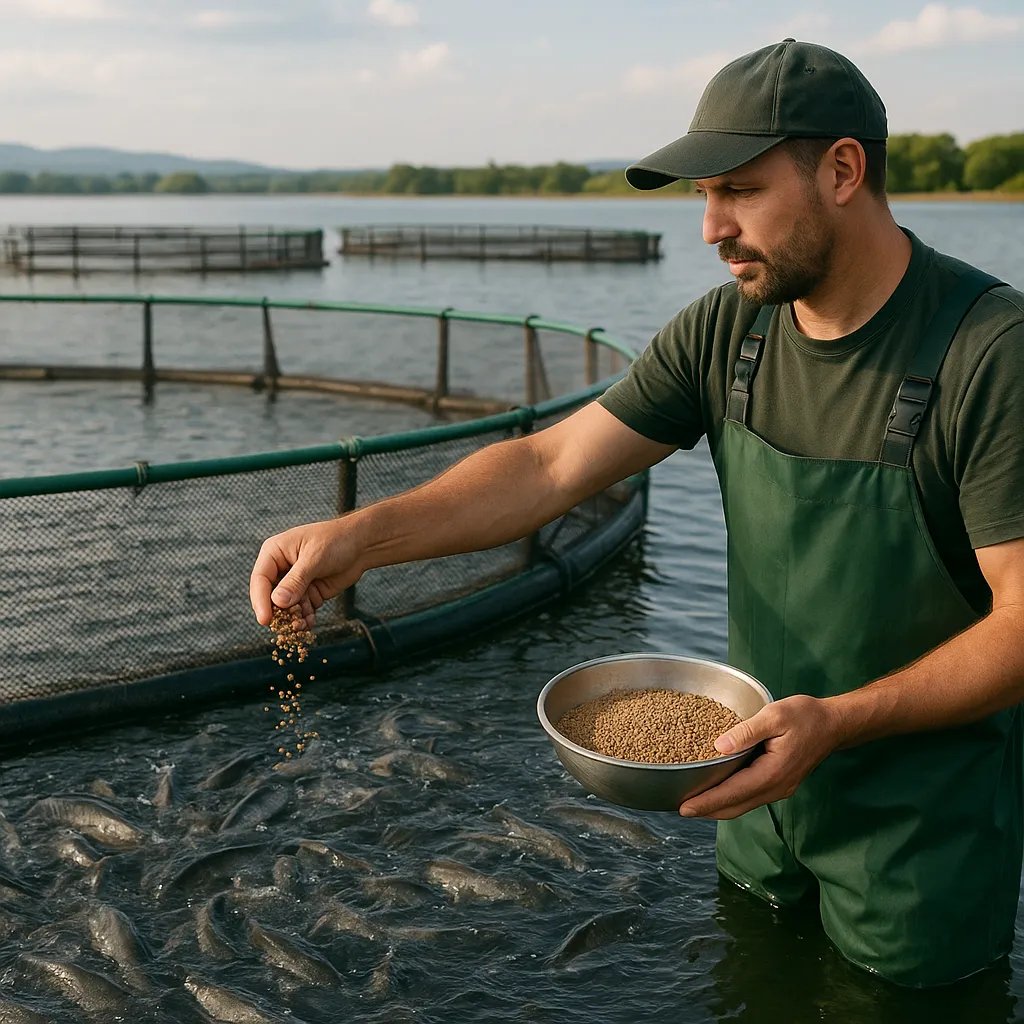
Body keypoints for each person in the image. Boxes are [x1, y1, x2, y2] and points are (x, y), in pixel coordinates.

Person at [249, 39, 1024, 988]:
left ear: (843, 170)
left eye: (737, 189)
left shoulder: (990, 354)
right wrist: (362, 537)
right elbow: (547, 464)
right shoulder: (726, 330)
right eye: (702, 196)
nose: (710, 228)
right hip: (748, 800)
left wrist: (839, 721)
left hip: (920, 836)